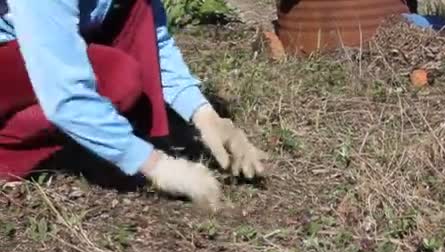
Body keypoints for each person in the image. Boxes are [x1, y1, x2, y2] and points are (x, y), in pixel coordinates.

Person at [0, 0, 267, 210]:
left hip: (31, 56)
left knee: (139, 12)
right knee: (115, 77)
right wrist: (157, 166)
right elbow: (66, 95)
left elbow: (155, 40)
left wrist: (205, 115)